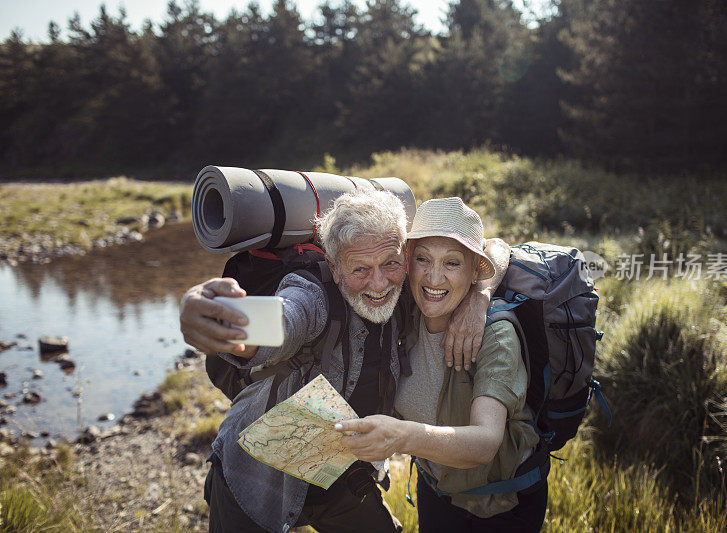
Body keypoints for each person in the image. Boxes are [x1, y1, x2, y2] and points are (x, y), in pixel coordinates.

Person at [179, 189, 509, 533]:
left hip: (337, 471)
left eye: (391, 264)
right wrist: (217, 317)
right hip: (257, 473)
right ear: (335, 269)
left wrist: (480, 297)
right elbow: (285, 317)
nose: (379, 283)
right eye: (360, 269)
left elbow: (498, 249)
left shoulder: (412, 290)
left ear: (406, 257)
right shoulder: (313, 295)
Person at [334, 197, 547, 533]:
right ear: (407, 261)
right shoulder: (403, 308)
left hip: (504, 505)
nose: (434, 277)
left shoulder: (496, 335)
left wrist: (481, 296)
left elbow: (485, 443)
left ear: (475, 269)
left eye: (452, 263)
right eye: (422, 259)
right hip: (436, 490)